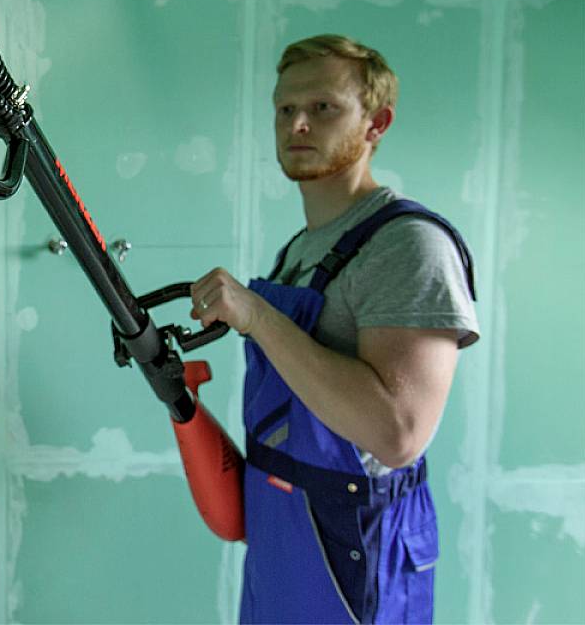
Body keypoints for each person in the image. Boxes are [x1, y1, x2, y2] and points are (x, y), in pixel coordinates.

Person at [189, 35, 479, 624]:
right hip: (282, 528)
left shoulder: (409, 247)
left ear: (377, 123)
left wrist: (259, 317)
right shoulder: (299, 250)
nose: (297, 122)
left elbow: (398, 434)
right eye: (284, 108)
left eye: (323, 107)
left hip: (353, 544)